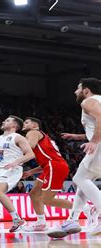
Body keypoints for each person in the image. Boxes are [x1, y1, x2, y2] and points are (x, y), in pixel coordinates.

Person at [48, 78, 101, 238]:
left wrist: (93, 141)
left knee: (80, 178)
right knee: (82, 179)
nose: (75, 92)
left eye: (78, 88)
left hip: (99, 146)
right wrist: (79, 136)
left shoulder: (88, 101)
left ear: (86, 90)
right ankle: (72, 219)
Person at [21, 117, 83, 232]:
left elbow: (29, 147)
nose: (24, 124)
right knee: (34, 193)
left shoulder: (32, 132)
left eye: (26, 122)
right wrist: (30, 172)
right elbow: (45, 162)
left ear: (35, 125)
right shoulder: (42, 136)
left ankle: (87, 208)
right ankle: (41, 223)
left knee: (47, 200)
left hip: (54, 166)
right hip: (50, 166)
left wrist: (12, 151)